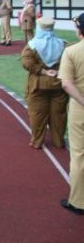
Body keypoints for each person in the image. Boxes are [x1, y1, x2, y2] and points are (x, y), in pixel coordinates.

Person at [21, 17, 67, 150]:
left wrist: (42, 71)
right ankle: (58, 141)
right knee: (59, 114)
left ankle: (37, 141)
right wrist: (57, 71)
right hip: (59, 84)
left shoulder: (32, 45)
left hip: (38, 85)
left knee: (37, 114)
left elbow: (27, 63)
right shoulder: (63, 44)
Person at [58, 13, 84, 215]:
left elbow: (67, 83)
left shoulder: (72, 51)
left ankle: (79, 201)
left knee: (79, 155)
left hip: (80, 109)